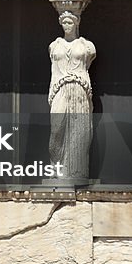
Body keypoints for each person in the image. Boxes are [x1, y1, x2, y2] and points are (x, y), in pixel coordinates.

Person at [47, 11, 96, 181]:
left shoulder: (87, 46)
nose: (67, 26)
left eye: (70, 22)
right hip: (60, 89)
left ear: (76, 23)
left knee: (80, 131)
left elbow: (87, 63)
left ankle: (77, 171)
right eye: (64, 23)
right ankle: (56, 167)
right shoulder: (55, 45)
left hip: (79, 89)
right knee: (56, 129)